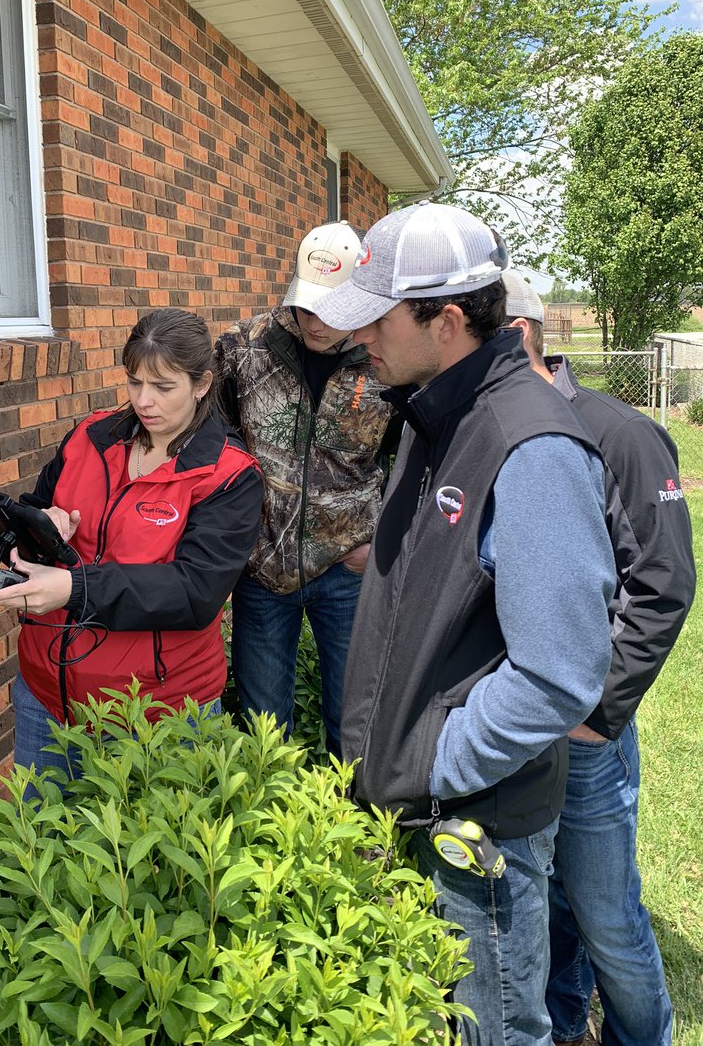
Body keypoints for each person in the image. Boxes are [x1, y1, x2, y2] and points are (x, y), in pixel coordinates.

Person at [312, 201, 616, 1046]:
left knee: (495, 1031)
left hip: (476, 829)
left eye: (377, 315)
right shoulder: (433, 415)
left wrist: (435, 759)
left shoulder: (531, 446)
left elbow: (559, 672)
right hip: (422, 805)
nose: (358, 336)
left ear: (446, 320)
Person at [503, 271, 695, 1046]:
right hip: (520, 725)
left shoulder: (620, 432)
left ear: (517, 335)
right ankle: (564, 1018)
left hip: (585, 735)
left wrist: (599, 713)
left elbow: (664, 585)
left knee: (606, 912)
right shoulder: (500, 432)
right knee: (550, 904)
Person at [0, 308, 264, 777]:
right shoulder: (90, 437)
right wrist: (36, 528)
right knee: (39, 841)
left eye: (163, 386)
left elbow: (194, 592)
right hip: (47, 696)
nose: (144, 401)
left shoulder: (229, 475)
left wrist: (75, 589)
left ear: (201, 385)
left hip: (159, 713)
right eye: (134, 382)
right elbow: (33, 510)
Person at [216, 221, 400, 756]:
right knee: (262, 729)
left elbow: (421, 463)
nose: (315, 322)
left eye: (331, 309)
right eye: (306, 305)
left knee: (356, 721)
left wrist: (382, 542)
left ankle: (359, 834)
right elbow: (212, 439)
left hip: (349, 570)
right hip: (262, 573)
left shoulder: (387, 359)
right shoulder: (245, 349)